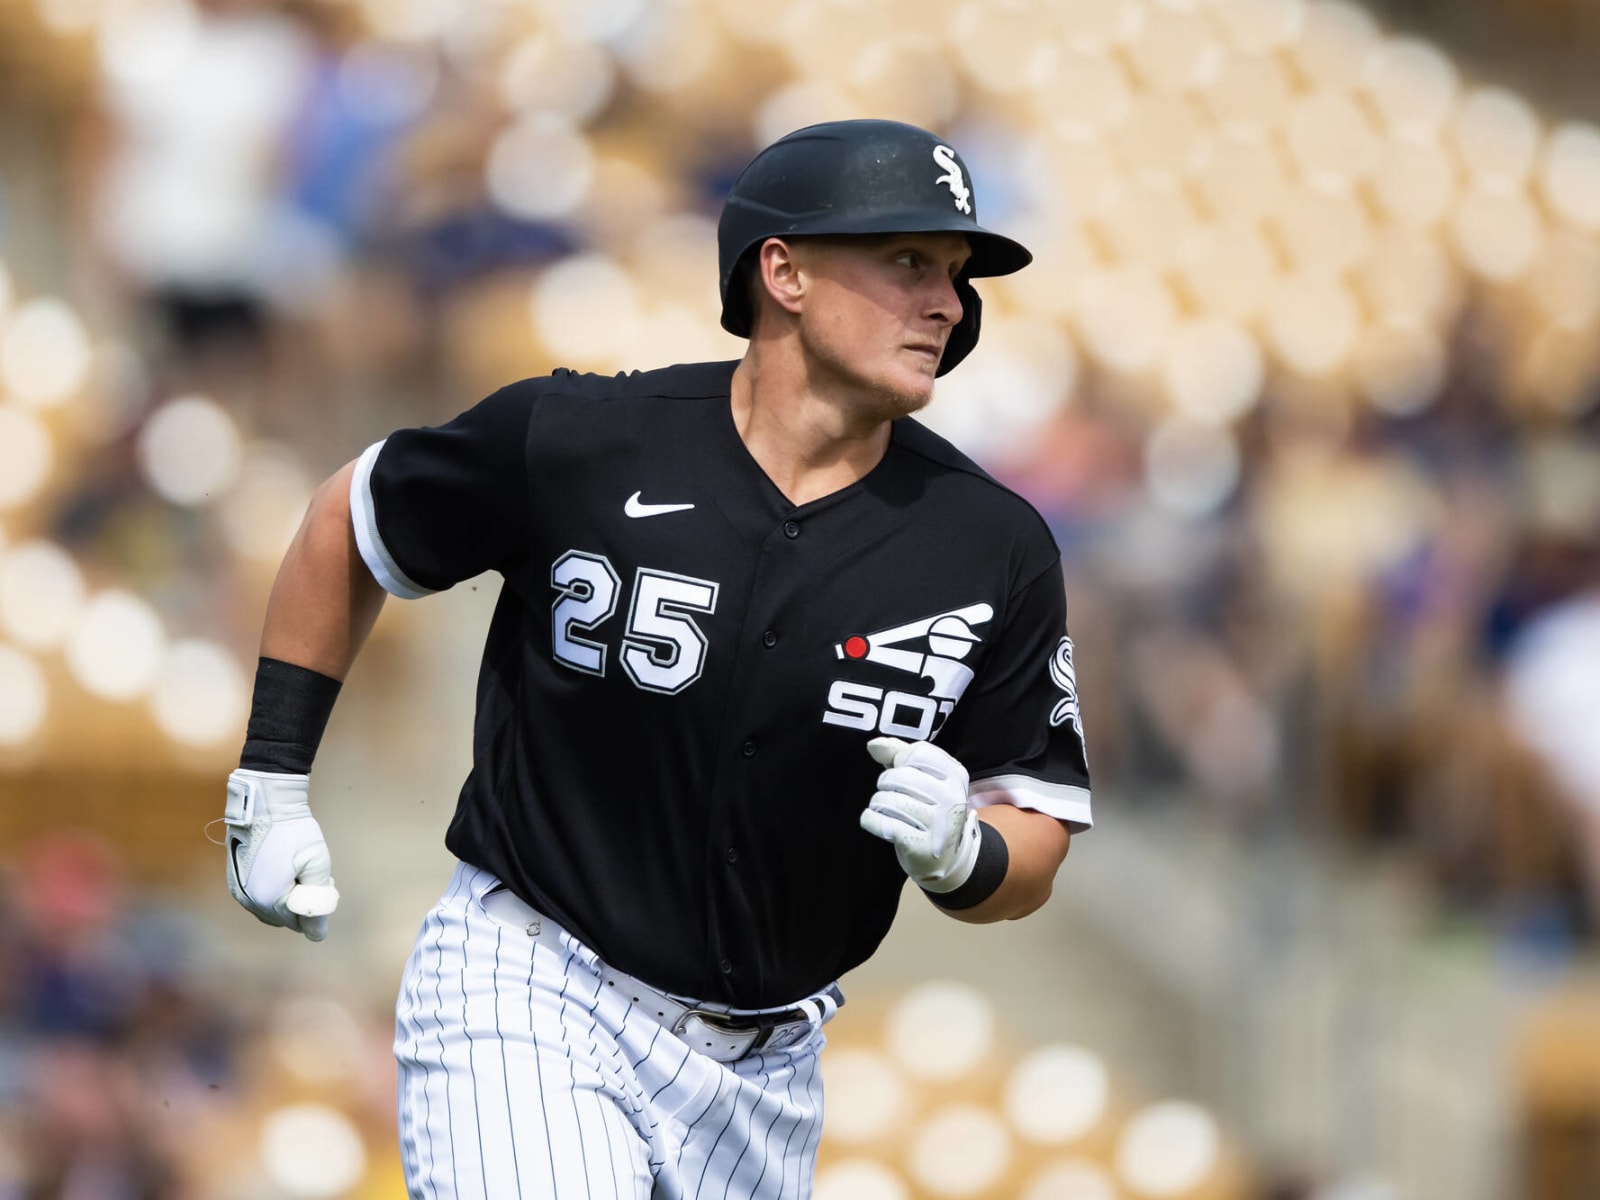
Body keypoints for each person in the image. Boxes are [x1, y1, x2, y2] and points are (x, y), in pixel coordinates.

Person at [221, 119, 1093, 1199]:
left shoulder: (989, 542)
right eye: (908, 261)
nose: (949, 302)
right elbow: (346, 524)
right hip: (535, 982)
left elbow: (1037, 822)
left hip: (766, 1075)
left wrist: (970, 856)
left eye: (957, 275)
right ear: (783, 272)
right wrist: (269, 780)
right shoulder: (586, 436)